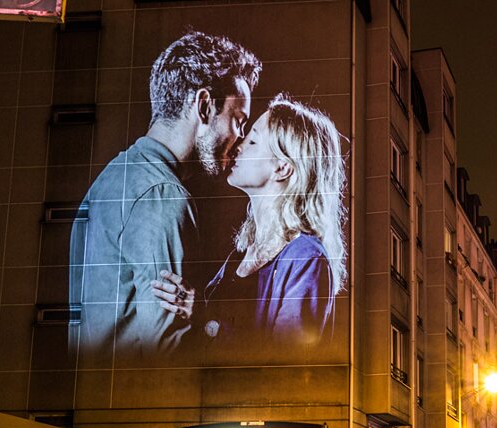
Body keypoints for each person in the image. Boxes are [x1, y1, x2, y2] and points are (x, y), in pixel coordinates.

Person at [73, 31, 261, 359]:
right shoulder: (164, 196)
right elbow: (170, 353)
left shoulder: (110, 180)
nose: (240, 139)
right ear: (203, 106)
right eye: (239, 121)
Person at [152, 94, 346, 347]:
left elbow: (283, 368)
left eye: (253, 141)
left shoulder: (305, 258)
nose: (238, 146)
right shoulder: (242, 254)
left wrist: (203, 317)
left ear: (283, 168)